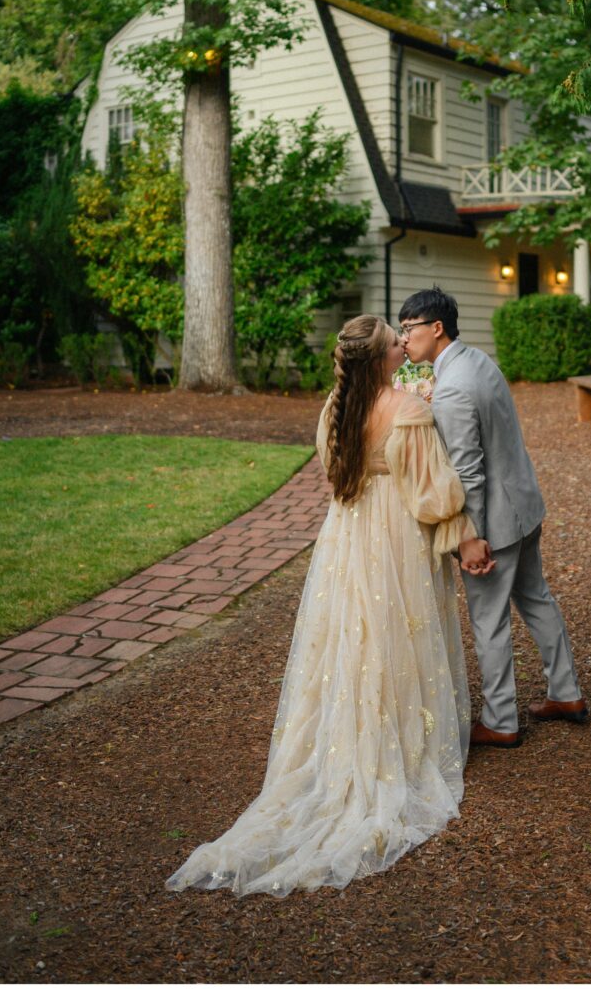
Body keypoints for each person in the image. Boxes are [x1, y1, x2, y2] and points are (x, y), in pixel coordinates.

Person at [168, 313, 474, 898]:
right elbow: (433, 495)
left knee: (353, 632)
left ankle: (350, 731)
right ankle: (396, 741)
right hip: (394, 533)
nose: (401, 350)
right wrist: (466, 531)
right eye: (394, 345)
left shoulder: (334, 409)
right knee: (396, 631)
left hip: (348, 529)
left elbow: (335, 467)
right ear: (385, 358)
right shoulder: (409, 414)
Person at [398, 286, 588, 746]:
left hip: (496, 524)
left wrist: (471, 538)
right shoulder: (477, 361)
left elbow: (467, 472)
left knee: (489, 621)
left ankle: (501, 722)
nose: (403, 339)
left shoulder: (453, 389)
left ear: (436, 328)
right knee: (536, 599)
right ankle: (566, 693)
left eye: (409, 329)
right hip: (524, 505)